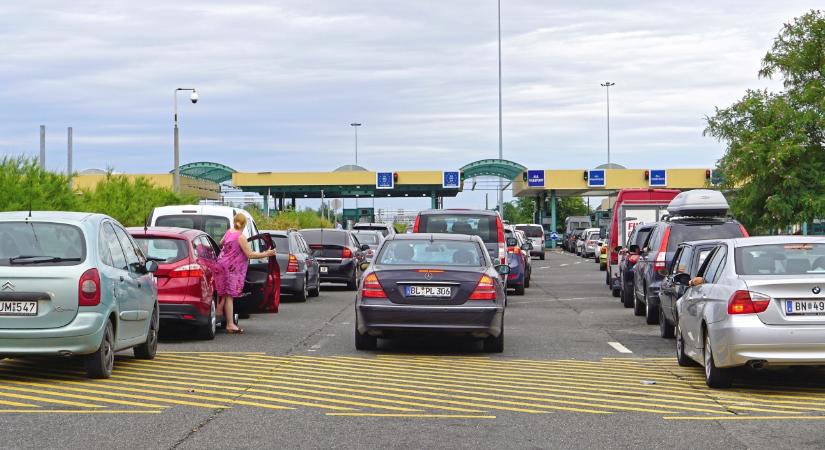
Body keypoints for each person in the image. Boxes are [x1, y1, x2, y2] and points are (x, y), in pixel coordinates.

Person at [215, 213, 276, 334]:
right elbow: (250, 254)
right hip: (232, 268)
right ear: (244, 224)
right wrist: (267, 253)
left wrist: (231, 251)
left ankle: (219, 312)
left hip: (221, 264)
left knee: (225, 293)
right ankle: (230, 324)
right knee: (230, 296)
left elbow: (221, 243)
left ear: (234, 222)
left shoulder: (229, 232)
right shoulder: (240, 237)